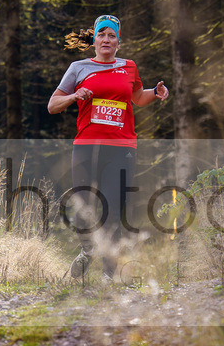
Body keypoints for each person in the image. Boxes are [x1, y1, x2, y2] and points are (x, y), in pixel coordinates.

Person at [48, 14, 169, 280]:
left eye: (111, 35)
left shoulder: (129, 67)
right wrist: (74, 95)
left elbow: (137, 97)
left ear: (118, 42)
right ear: (94, 40)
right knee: (83, 206)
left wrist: (155, 93)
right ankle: (88, 249)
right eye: (101, 34)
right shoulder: (78, 68)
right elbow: (52, 105)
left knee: (113, 210)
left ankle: (108, 275)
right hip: (86, 146)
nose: (106, 39)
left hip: (121, 148)